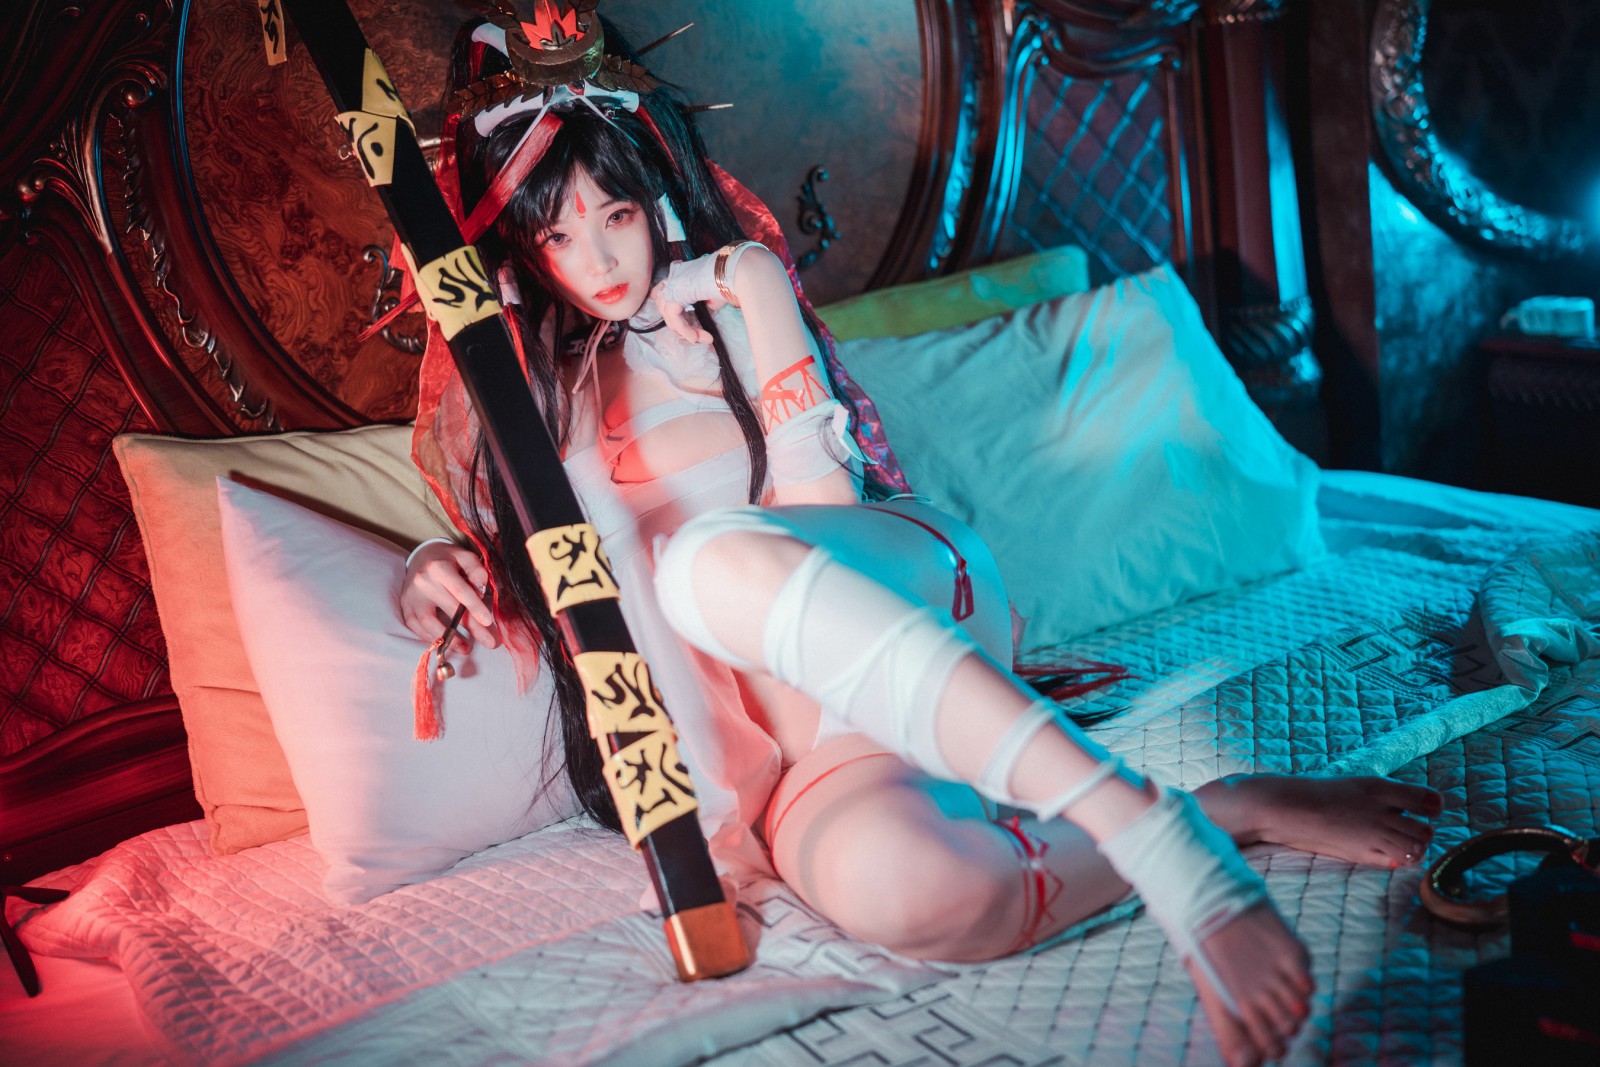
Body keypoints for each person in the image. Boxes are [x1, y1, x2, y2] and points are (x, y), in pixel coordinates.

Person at [396, 8, 1441, 1065]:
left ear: (658, 187)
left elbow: (818, 517)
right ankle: (1224, 810)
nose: (599, 258)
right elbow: (565, 580)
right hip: (809, 743)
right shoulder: (540, 408)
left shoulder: (720, 314)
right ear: (521, 247)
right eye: (557, 234)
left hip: (899, 584)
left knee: (704, 565)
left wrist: (752, 283)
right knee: (915, 893)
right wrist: (428, 561)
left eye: (616, 213)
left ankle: (1149, 834)